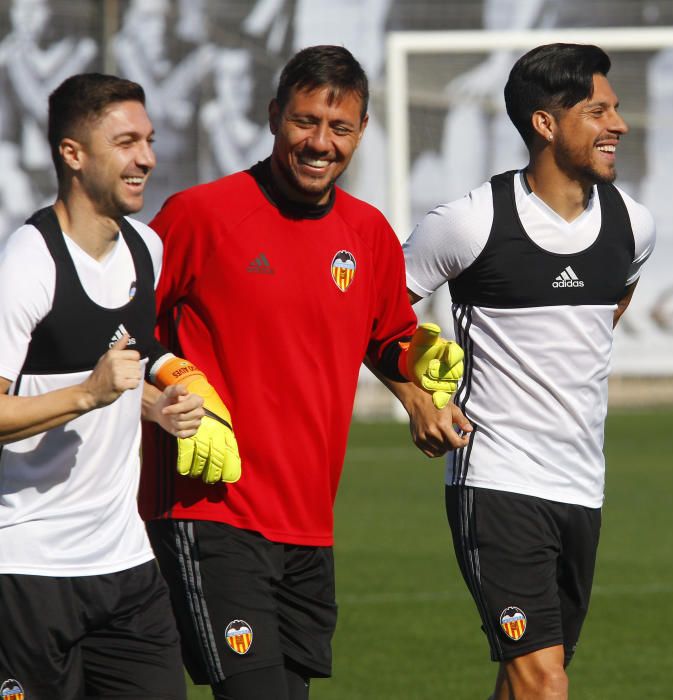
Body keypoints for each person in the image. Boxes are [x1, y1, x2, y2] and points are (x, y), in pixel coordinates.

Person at [138, 44, 465, 700]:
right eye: (305, 121)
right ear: (273, 116)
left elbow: (387, 337)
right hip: (210, 510)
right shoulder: (200, 216)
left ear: (362, 132)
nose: (321, 143)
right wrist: (173, 383)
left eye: (339, 128)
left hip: (310, 523)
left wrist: (419, 367)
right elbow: (121, 334)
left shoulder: (367, 232)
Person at [398, 43, 656, 699]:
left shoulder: (633, 224)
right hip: (497, 481)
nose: (619, 126)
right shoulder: (469, 223)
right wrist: (418, 396)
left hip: (582, 486)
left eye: (617, 109)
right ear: (545, 123)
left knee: (525, 683)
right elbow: (374, 311)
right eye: (599, 111)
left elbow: (614, 300)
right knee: (545, 683)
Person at [0, 72, 237, 699]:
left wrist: (158, 407)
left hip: (127, 565)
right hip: (28, 568)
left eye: (150, 140)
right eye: (126, 141)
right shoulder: (27, 264)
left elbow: (128, 361)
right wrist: (87, 394)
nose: (147, 159)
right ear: (72, 154)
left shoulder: (145, 249)